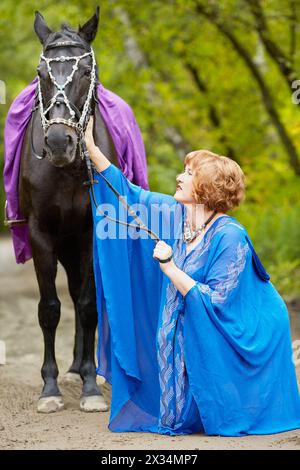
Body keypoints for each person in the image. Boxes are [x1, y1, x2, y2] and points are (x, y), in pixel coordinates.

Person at [84, 116, 300, 436]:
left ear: (206, 188)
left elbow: (216, 303)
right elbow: (129, 195)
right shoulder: (175, 216)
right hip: (198, 329)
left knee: (225, 412)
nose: (178, 176)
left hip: (248, 329)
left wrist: (171, 267)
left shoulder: (229, 236)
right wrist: (90, 147)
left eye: (188, 173)